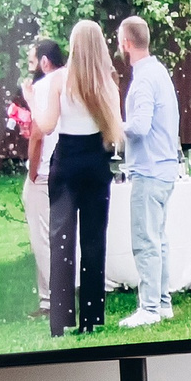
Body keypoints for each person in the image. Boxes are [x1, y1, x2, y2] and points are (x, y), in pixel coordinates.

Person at [44, 20, 123, 336]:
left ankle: (61, 320)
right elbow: (113, 132)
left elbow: (48, 125)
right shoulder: (107, 82)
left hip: (66, 162)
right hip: (95, 161)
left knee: (61, 240)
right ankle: (92, 317)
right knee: (94, 240)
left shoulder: (60, 80)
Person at [117, 15, 181, 328]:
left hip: (150, 168)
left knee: (146, 241)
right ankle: (163, 303)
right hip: (165, 165)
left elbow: (140, 126)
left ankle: (150, 308)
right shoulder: (158, 71)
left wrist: (112, 125)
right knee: (159, 239)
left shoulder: (143, 78)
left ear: (126, 44)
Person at [23, 38, 66, 316]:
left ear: (44, 62)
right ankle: (47, 299)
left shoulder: (41, 88)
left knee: (42, 238)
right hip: (66, 166)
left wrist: (33, 170)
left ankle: (54, 298)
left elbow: (38, 133)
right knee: (57, 235)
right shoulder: (71, 82)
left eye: (31, 60)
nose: (29, 66)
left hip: (44, 171)